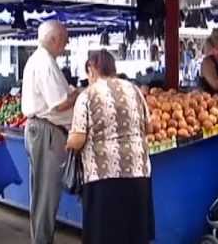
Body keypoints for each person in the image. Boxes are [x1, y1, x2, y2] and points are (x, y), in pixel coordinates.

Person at [66, 50, 154, 244]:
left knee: (104, 233)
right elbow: (149, 127)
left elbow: (78, 138)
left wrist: (68, 143)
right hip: (138, 171)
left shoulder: (87, 95)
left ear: (92, 69)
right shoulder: (134, 90)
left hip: (103, 174)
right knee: (134, 232)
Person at [21, 20, 80, 244]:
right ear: (54, 39)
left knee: (41, 193)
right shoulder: (44, 62)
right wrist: (77, 94)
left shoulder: (39, 60)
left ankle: (41, 239)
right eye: (64, 40)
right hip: (47, 133)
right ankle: (42, 241)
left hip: (42, 131)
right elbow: (58, 104)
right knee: (46, 195)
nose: (65, 45)